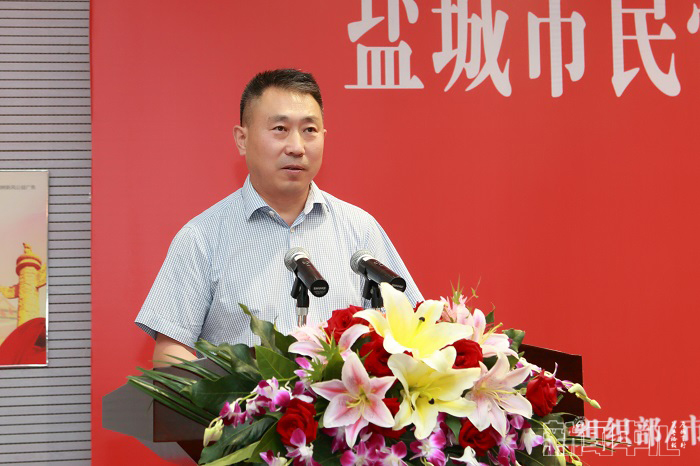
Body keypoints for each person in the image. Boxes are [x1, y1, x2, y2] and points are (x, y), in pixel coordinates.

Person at [135, 69, 422, 366]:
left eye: (309, 130)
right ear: (242, 139)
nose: (296, 147)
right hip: (246, 398)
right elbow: (172, 351)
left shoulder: (360, 229)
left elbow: (411, 329)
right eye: (280, 129)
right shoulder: (202, 238)